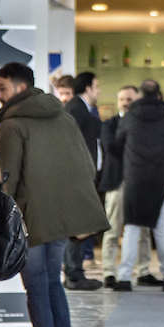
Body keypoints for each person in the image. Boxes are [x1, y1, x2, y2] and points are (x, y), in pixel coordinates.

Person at [0, 63, 110, 327]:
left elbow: (7, 181)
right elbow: (86, 164)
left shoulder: (13, 126)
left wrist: (0, 223)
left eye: (2, 87)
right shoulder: (63, 117)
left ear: (18, 88)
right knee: (53, 286)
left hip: (30, 222)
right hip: (59, 219)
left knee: (37, 291)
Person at [108, 80, 164, 292]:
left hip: (135, 178)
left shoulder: (131, 116)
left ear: (140, 95)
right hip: (160, 178)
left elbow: (117, 144)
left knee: (132, 229)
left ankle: (124, 278)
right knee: (161, 231)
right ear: (159, 94)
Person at [100, 85, 155, 287]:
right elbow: (111, 148)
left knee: (143, 231)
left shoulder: (146, 124)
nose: (125, 103)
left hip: (141, 183)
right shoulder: (109, 124)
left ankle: (143, 271)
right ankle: (109, 272)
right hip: (117, 182)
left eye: (129, 99)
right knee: (113, 230)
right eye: (122, 99)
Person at [61, 71, 104, 290]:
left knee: (81, 225)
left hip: (83, 176)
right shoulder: (76, 109)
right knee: (76, 226)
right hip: (76, 177)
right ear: (88, 87)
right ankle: (73, 274)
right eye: (96, 86)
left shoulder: (83, 108)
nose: (99, 90)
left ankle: (75, 272)